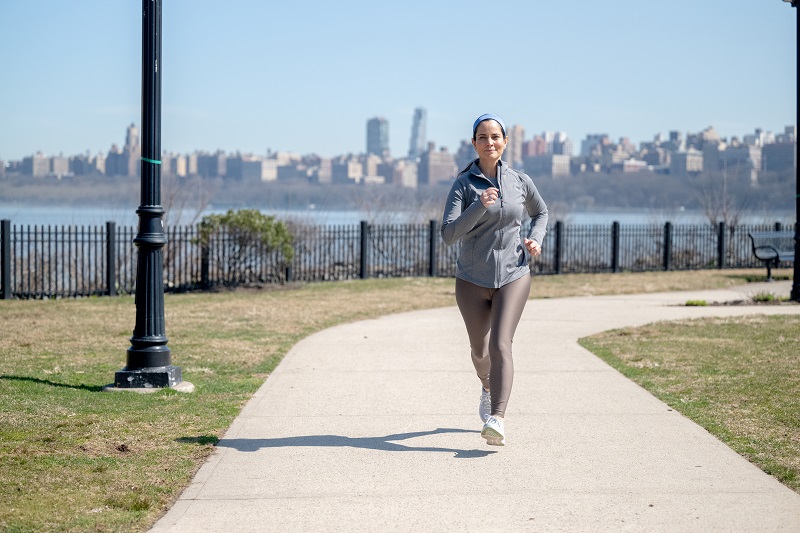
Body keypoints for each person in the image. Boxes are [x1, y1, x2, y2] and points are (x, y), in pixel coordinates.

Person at [440, 113, 548, 446]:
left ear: (504, 142)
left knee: (501, 344)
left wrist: (535, 239)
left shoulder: (520, 181)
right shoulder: (463, 184)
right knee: (479, 350)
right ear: (474, 143)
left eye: (495, 137)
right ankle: (487, 387)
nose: (490, 143)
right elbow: (448, 235)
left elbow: (541, 213)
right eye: (483, 138)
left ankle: (497, 418)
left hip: (514, 274)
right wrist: (479, 207)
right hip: (472, 279)